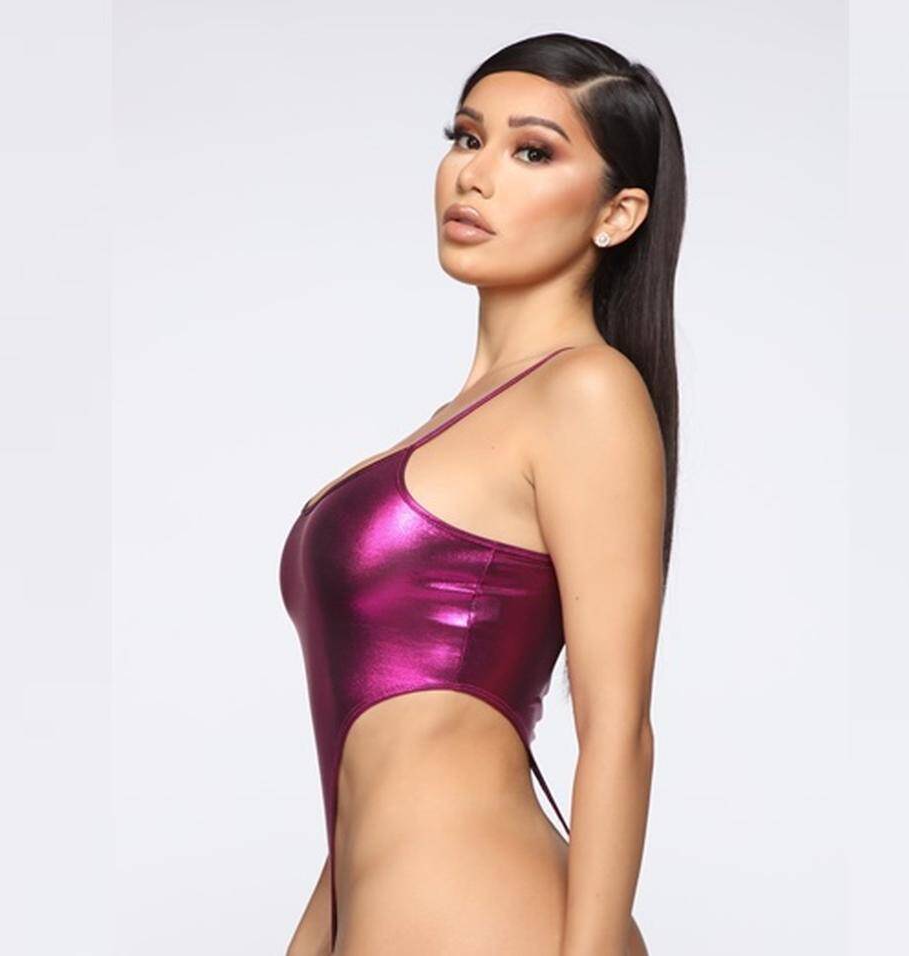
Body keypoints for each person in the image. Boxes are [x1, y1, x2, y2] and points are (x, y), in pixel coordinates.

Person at [280, 31, 685, 955]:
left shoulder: (586, 393)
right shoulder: (460, 420)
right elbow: (383, 767)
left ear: (616, 214)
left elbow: (618, 731)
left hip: (492, 921)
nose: (475, 174)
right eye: (467, 138)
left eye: (532, 151)